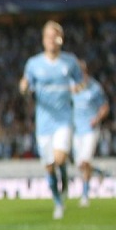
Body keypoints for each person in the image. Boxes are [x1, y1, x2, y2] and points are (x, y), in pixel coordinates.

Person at [20, 20, 83, 219]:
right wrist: (23, 88)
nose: (51, 40)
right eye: (48, 36)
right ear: (43, 39)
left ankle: (63, 174)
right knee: (48, 166)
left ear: (60, 39)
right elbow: (26, 85)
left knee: (59, 158)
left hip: (63, 119)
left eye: (55, 36)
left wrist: (77, 88)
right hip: (44, 123)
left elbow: (80, 82)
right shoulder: (34, 64)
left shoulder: (70, 62)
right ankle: (58, 202)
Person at [71, 59, 109, 207]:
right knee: (80, 164)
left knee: (85, 162)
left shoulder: (94, 87)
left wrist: (97, 119)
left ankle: (85, 196)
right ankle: (99, 172)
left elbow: (105, 107)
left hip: (90, 130)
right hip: (76, 130)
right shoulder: (72, 88)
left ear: (85, 71)